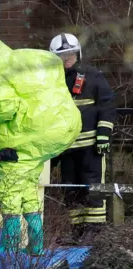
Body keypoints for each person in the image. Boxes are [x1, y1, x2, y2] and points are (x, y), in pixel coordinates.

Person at [0, 32, 82, 256]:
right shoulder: (23, 69)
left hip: (17, 145)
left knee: (9, 191)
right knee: (29, 189)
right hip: (46, 138)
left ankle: (10, 247)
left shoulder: (4, 74)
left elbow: (5, 108)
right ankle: (36, 244)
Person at [49, 33, 116, 244]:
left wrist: (104, 133)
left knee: (93, 186)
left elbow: (107, 105)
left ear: (78, 53)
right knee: (71, 189)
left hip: (91, 146)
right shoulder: (51, 81)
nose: (67, 58)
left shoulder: (92, 75)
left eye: (70, 53)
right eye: (62, 54)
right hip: (66, 146)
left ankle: (94, 232)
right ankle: (76, 231)